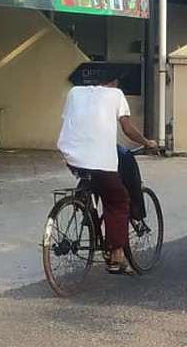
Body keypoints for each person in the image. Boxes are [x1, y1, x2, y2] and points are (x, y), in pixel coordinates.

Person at [57, 63, 159, 274]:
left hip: (72, 156)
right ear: (112, 83)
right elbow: (128, 129)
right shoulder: (116, 95)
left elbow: (71, 121)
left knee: (93, 180)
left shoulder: (74, 92)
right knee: (118, 199)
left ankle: (87, 212)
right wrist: (147, 142)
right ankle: (115, 256)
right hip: (100, 158)